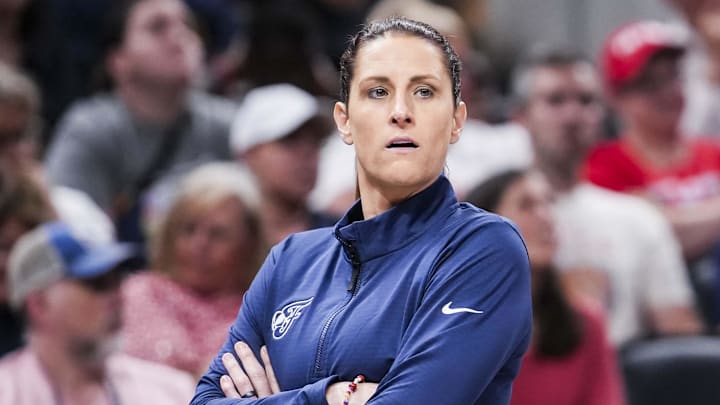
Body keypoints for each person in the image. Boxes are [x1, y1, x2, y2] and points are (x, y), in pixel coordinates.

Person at [191, 17, 532, 405]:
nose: (401, 111)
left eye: (424, 91)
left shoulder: (483, 249)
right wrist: (332, 397)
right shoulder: (290, 263)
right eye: (378, 92)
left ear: (456, 121)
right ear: (345, 120)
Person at [511, 44, 701, 345]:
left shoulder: (639, 218)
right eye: (555, 100)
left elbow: (680, 336)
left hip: (626, 380)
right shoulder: (493, 214)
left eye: (586, 101)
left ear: (602, 114)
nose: (572, 115)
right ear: (521, 116)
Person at [44, 0, 236, 246]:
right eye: (158, 27)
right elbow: (63, 233)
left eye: (188, 25)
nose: (180, 35)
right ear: (118, 61)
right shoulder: (91, 129)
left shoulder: (230, 125)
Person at [584, 20, 720, 326]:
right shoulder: (604, 165)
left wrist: (669, 217)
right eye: (650, 84)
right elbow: (648, 236)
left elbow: (661, 224)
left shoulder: (713, 152)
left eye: (673, 78)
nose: (668, 92)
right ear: (617, 97)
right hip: (652, 316)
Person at [468, 169, 625, 405]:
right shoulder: (447, 326)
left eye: (548, 203)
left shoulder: (585, 322)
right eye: (527, 205)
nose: (546, 216)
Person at [0, 221, 195, 404]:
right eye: (97, 284)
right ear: (39, 304)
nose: (117, 297)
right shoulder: (7, 392)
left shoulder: (171, 391)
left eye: (117, 281)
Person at [121, 163, 264, 378]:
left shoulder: (261, 316)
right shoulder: (138, 292)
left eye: (217, 234)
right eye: (188, 229)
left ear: (249, 245)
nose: (199, 246)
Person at [230, 83, 337, 245]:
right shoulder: (219, 236)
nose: (307, 152)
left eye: (316, 141)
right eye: (289, 139)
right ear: (248, 155)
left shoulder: (344, 236)